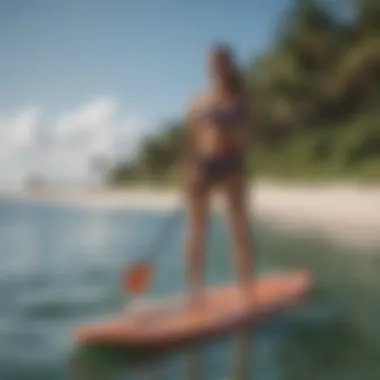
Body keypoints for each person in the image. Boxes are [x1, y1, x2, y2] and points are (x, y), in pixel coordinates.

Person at [181, 44, 254, 307]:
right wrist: (188, 170)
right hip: (202, 166)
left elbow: (245, 136)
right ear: (207, 66)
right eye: (211, 62)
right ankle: (193, 290)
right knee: (196, 229)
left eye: (220, 61)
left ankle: (246, 288)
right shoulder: (197, 100)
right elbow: (190, 140)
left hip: (232, 164)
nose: (215, 66)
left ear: (229, 64)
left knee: (237, 229)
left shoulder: (241, 98)